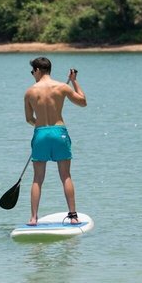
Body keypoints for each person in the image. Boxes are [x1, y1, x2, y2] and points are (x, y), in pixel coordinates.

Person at [24, 56, 87, 226]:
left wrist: (42, 127)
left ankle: (33, 218)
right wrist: (74, 81)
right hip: (59, 133)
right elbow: (83, 102)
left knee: (37, 178)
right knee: (65, 175)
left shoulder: (30, 92)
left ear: (38, 70)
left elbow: (29, 119)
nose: (32, 74)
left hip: (40, 133)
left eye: (32, 71)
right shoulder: (62, 87)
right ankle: (73, 216)